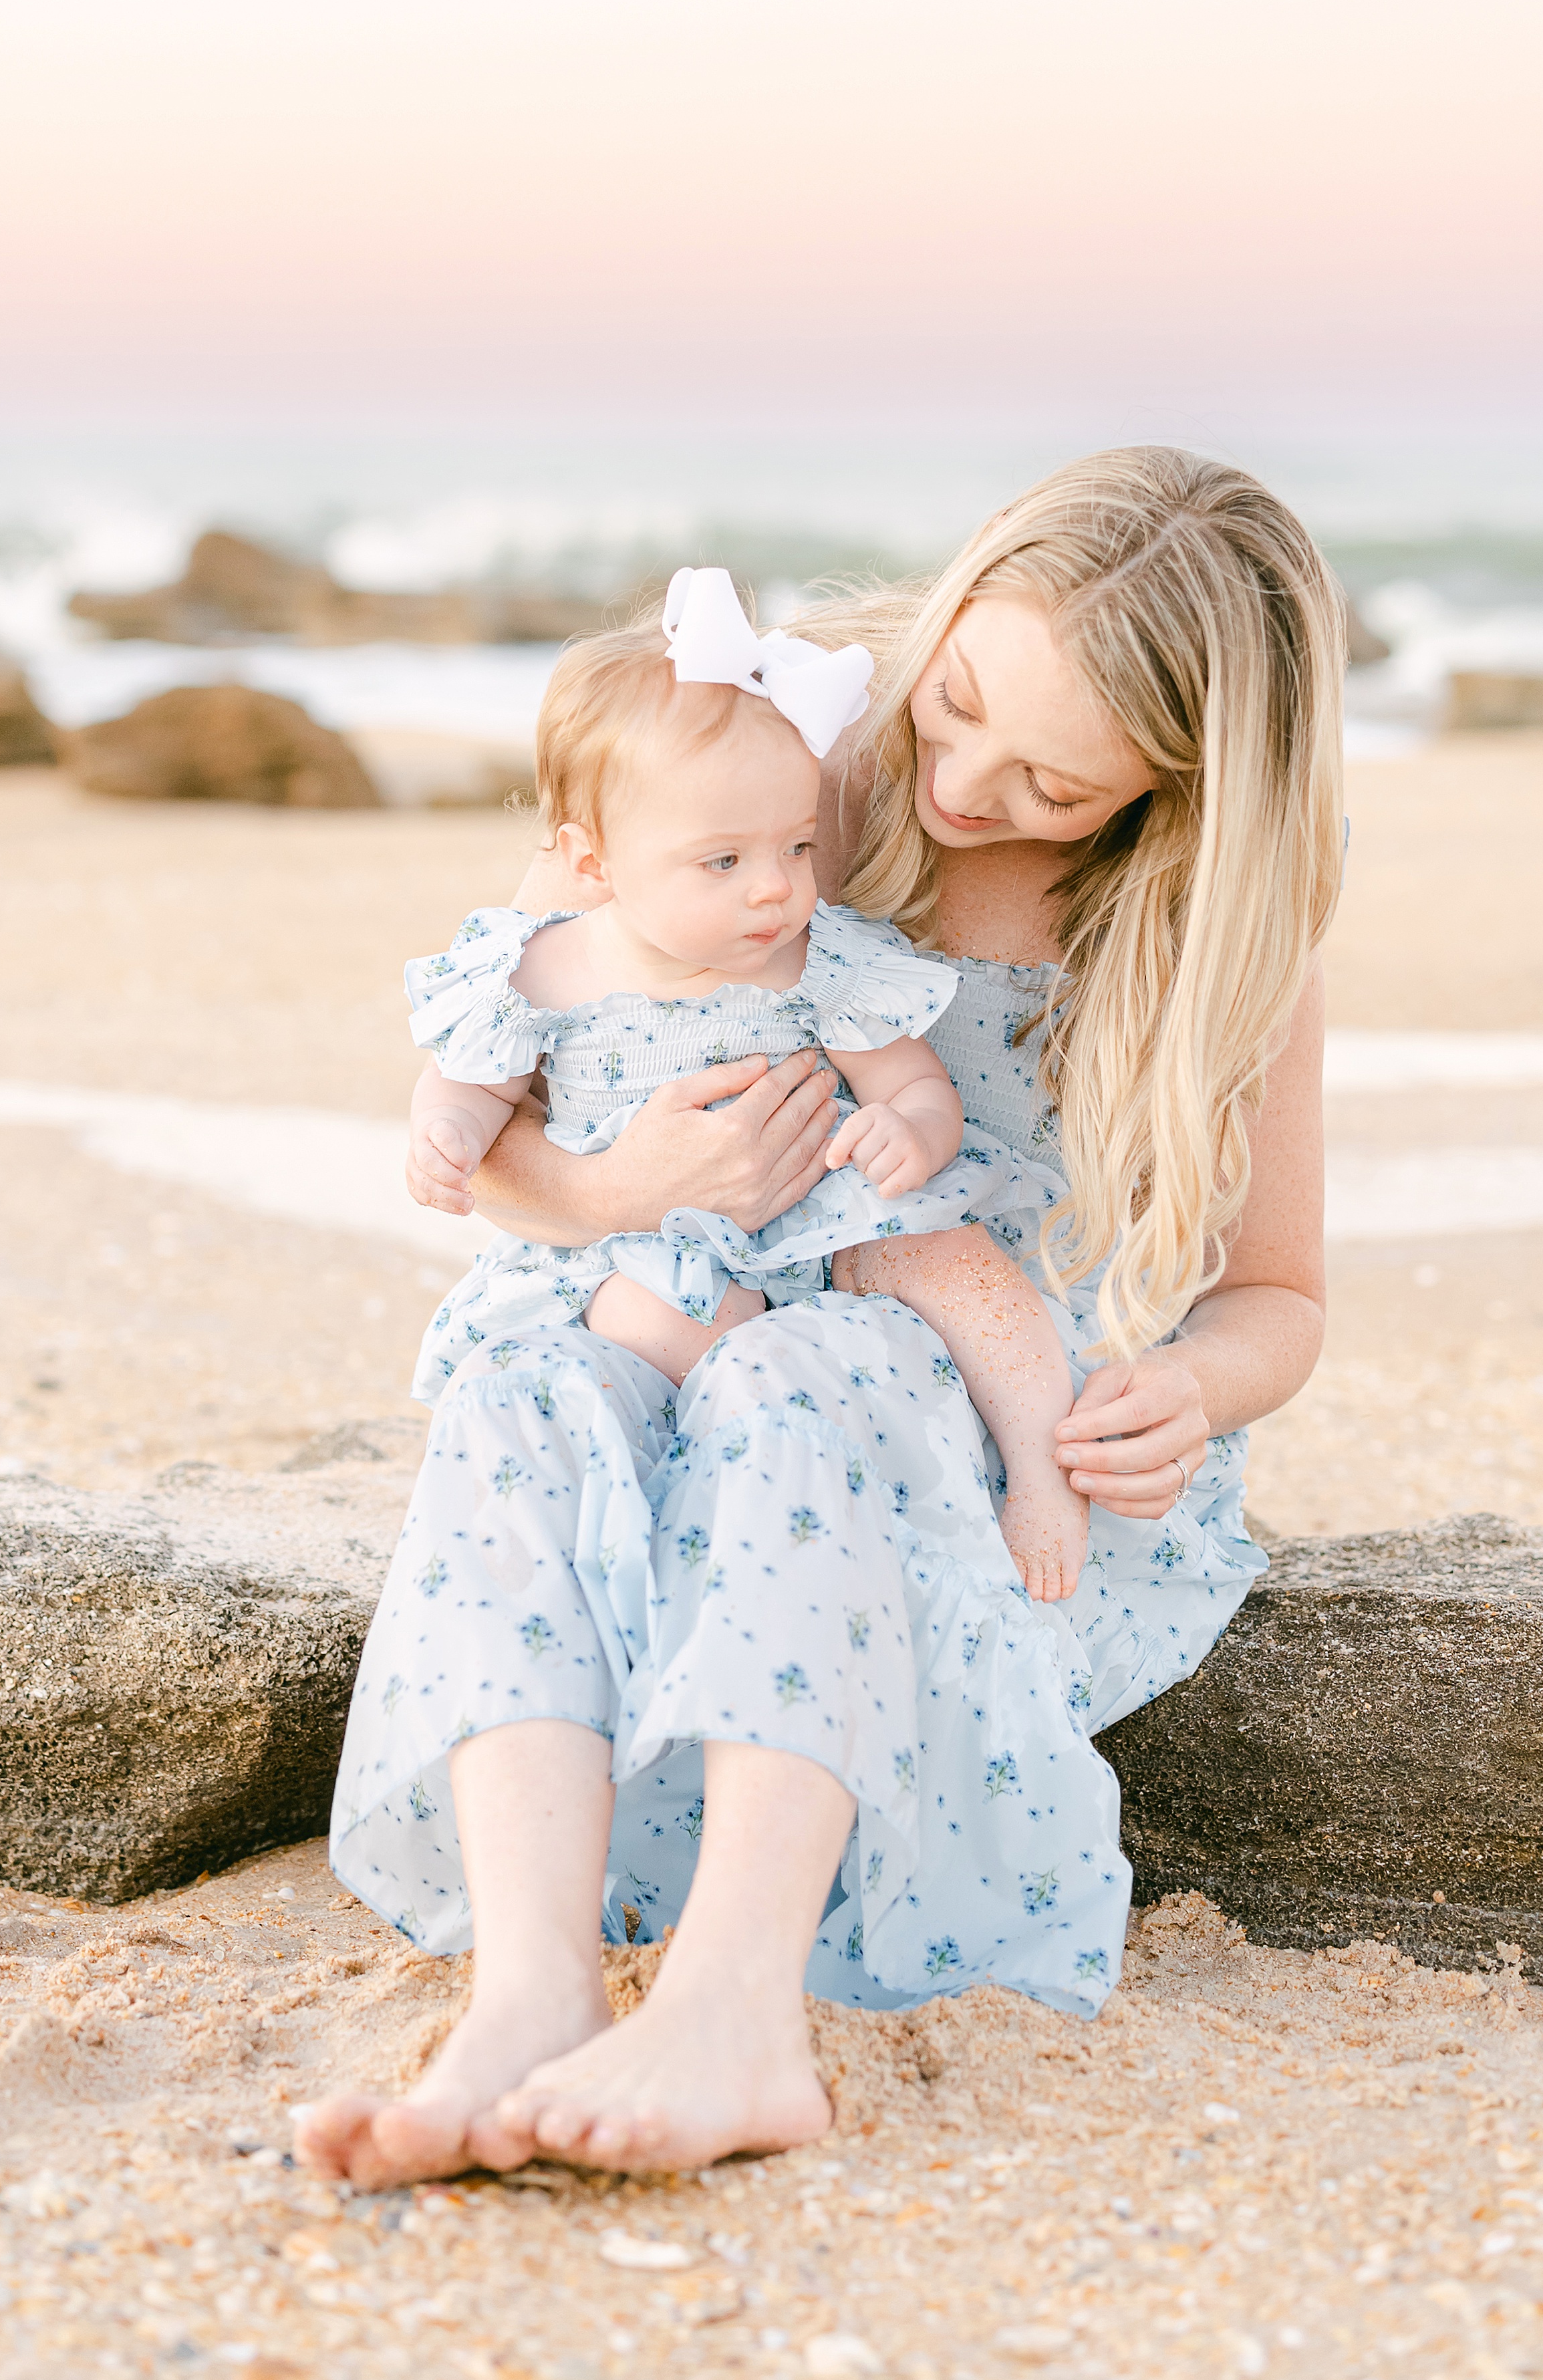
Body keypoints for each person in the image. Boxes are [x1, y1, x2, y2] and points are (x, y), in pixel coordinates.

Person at [294, 449, 1342, 2192]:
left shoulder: (1213, 938)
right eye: (956, 705)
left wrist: (1183, 1383)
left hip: (941, 1387)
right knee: (526, 1395)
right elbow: (512, 1126)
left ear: (1185, 792)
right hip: (654, 1280)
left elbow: (1280, 1299)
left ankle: (731, 2008)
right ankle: (531, 1987)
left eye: (1055, 784)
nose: (962, 781)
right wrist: (625, 1192)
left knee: (815, 1364)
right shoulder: (764, 765)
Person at [405, 565, 1010, 1398]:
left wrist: (911, 1131)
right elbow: (473, 1088)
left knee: (960, 1278)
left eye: (795, 847)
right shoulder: (544, 967)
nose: (774, 887)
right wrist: (447, 1136)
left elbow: (912, 1082)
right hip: (631, 1254)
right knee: (666, 1321)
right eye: (723, 860)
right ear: (594, 863)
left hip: (807, 1249)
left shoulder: (820, 965)